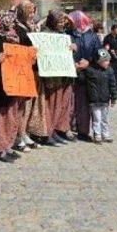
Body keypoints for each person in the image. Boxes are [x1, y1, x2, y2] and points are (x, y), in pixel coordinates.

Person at [0, 11, 28, 163]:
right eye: (8, 22)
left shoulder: (14, 38)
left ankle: (7, 145)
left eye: (12, 22)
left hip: (13, 83)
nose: (11, 25)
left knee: (11, 115)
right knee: (0, 117)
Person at [13, 1, 46, 148]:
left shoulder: (32, 27)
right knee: (21, 105)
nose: (32, 14)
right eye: (29, 11)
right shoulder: (17, 28)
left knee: (30, 103)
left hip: (33, 70)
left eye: (33, 11)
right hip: (22, 70)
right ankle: (17, 134)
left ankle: (25, 131)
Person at [42, 9, 75, 146]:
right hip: (51, 75)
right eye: (60, 21)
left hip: (62, 75)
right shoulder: (46, 33)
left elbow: (72, 26)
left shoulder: (63, 34)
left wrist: (71, 47)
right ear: (53, 21)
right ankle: (47, 133)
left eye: (63, 21)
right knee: (50, 105)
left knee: (58, 105)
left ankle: (54, 130)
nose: (63, 24)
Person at [68, 10, 101, 141]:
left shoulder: (93, 37)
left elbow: (102, 56)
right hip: (70, 75)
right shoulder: (68, 34)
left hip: (86, 75)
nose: (70, 23)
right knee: (70, 103)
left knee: (83, 105)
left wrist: (89, 62)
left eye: (72, 21)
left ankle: (83, 131)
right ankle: (67, 129)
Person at [81, 48, 117, 145]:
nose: (107, 62)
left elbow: (113, 85)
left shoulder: (109, 71)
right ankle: (97, 135)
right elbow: (81, 77)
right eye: (105, 60)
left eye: (108, 60)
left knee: (104, 119)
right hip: (94, 100)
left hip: (105, 99)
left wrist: (113, 97)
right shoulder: (90, 70)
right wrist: (82, 66)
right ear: (98, 61)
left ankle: (105, 134)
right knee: (97, 118)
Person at [103, 24, 117, 89]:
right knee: (110, 72)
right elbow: (105, 48)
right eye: (115, 31)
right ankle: (110, 85)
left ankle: (116, 85)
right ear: (112, 30)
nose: (116, 32)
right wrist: (110, 51)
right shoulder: (107, 38)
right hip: (110, 58)